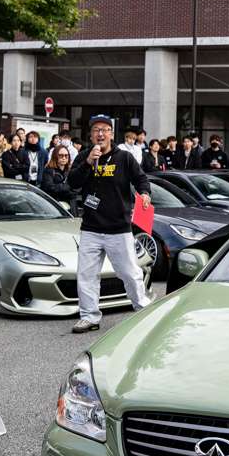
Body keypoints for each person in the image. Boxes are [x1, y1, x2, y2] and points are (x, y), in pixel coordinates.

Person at [67, 113, 153, 332]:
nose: (100, 134)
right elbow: (72, 182)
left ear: (111, 134)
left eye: (104, 130)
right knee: (86, 275)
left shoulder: (124, 158)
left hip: (118, 228)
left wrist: (144, 193)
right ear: (91, 135)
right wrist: (88, 162)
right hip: (91, 228)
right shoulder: (84, 156)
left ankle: (142, 310)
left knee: (129, 273)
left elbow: (141, 179)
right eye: (96, 130)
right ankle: (89, 316)